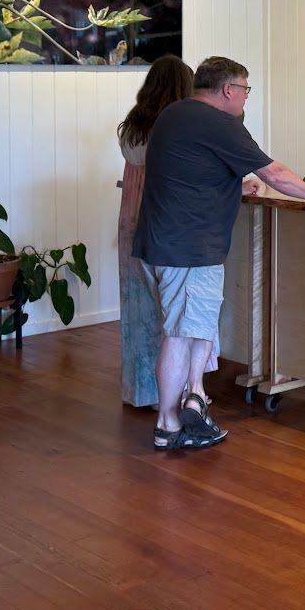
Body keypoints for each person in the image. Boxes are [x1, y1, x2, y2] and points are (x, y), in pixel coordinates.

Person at [133, 56, 305, 451]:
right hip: (188, 249)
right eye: (245, 89)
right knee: (179, 334)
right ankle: (167, 425)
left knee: (194, 327)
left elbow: (187, 172)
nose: (246, 98)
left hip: (165, 243)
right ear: (228, 90)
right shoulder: (219, 123)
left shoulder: (173, 115)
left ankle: (194, 398)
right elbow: (274, 174)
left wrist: (231, 187)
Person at [116, 54, 197, 408]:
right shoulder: (175, 130)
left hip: (130, 217)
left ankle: (140, 391)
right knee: (173, 310)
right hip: (162, 218)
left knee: (138, 306)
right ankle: (174, 392)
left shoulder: (133, 126)